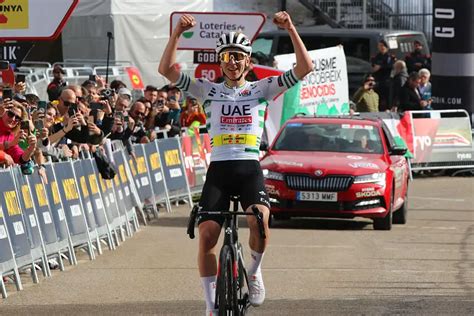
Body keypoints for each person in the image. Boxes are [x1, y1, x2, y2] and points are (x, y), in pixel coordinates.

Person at [159, 11, 313, 315]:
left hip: (248, 169)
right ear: (220, 62)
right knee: (206, 236)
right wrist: (177, 33)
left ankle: (254, 273)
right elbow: (165, 69)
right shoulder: (206, 90)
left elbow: (305, 67)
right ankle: (210, 303)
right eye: (227, 56)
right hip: (219, 170)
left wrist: (292, 28)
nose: (232, 61)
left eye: (238, 56)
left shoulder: (262, 89)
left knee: (260, 222)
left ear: (247, 61)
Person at [371, 40, 395, 111]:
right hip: (378, 80)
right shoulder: (376, 57)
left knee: (387, 98)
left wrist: (380, 67)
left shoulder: (389, 57)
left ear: (386, 47)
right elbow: (373, 65)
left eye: (382, 46)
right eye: (379, 46)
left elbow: (390, 66)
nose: (381, 47)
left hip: (386, 81)